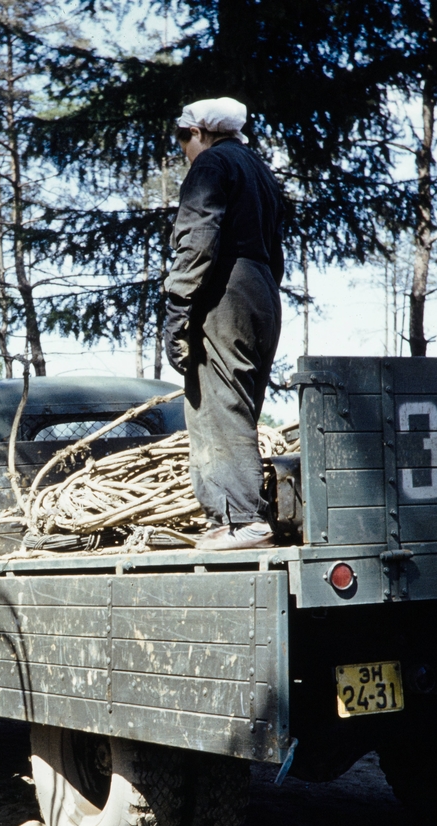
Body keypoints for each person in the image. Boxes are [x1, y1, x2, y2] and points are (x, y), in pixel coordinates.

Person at [161, 96, 284, 552]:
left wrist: (177, 313)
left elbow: (197, 243)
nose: (182, 149)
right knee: (240, 401)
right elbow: (276, 249)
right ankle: (233, 517)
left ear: (201, 132)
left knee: (218, 402)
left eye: (183, 137)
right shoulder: (258, 170)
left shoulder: (212, 164)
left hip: (224, 289)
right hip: (262, 289)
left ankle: (245, 520)